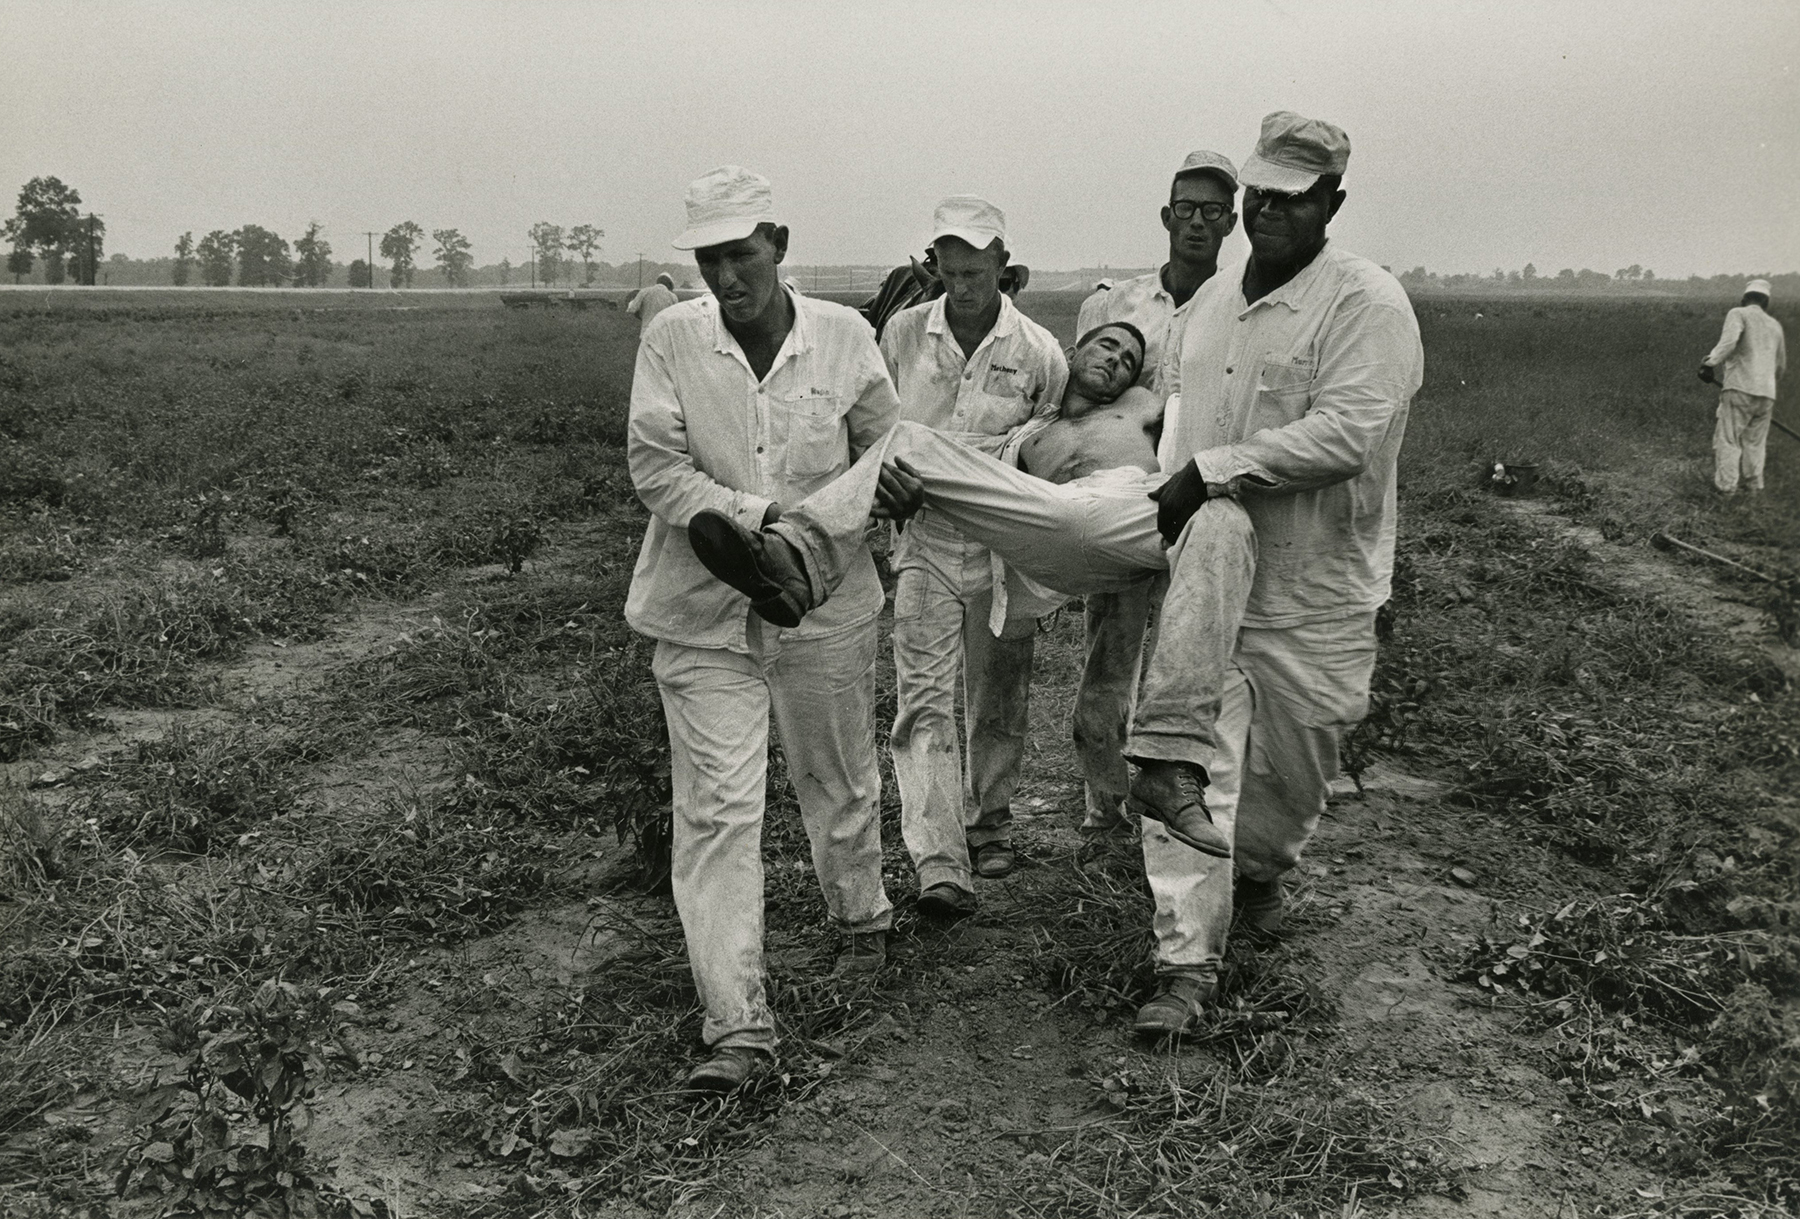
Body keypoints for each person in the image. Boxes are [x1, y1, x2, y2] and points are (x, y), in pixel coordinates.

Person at [686, 321, 1254, 864]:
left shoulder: (1143, 407)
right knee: (907, 438)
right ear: (1073, 353)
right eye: (1107, 347)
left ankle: (1170, 761)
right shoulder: (1029, 432)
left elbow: (1204, 418)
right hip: (1051, 525)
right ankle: (798, 556)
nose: (1117, 361)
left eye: (1130, 359)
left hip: (1136, 511)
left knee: (1220, 518)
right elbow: (958, 470)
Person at [1124, 111, 1424, 1035]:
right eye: (1260, 194)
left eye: (1291, 199)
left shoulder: (1366, 304)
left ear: (1331, 200)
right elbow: (1177, 425)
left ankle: (1259, 873)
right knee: (1191, 758)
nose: (1267, 212)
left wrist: (1212, 471)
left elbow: (1347, 435)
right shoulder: (1210, 307)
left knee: (1291, 786)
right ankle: (1184, 964)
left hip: (1319, 591)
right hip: (1214, 584)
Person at [624, 166, 898, 1093]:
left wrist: (869, 499)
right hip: (703, 608)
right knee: (717, 810)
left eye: (740, 253)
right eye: (709, 258)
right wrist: (764, 515)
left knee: (836, 772)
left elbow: (886, 451)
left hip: (824, 597)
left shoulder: (844, 337)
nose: (725, 276)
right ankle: (738, 1022)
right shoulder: (672, 340)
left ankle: (860, 917)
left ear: (778, 242)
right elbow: (657, 469)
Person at [878, 196, 1068, 911]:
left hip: (1000, 540)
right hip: (924, 535)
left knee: (998, 689)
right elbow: (873, 422)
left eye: (977, 270)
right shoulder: (902, 334)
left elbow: (1050, 437)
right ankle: (938, 860)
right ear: (935, 267)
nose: (963, 284)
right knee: (922, 698)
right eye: (950, 270)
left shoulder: (1037, 351)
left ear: (1003, 268)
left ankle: (989, 823)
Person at [1070, 150, 1240, 840]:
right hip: (1120, 499)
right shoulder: (1116, 302)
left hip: (1194, 502)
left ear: (1232, 223)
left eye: (1214, 212)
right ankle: (1102, 812)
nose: (1198, 223)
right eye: (1187, 209)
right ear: (1166, 216)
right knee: (1108, 659)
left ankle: (1170, 816)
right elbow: (1083, 393)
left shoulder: (1239, 303)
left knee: (1184, 661)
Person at [1700, 279, 1785, 495]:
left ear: (1745, 298)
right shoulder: (1775, 326)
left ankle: (1727, 490)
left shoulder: (1738, 314)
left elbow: (1729, 342)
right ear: (1766, 302)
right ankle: (1753, 489)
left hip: (1740, 388)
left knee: (1728, 438)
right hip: (1767, 394)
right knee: (1755, 443)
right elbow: (1780, 366)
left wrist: (1709, 362)